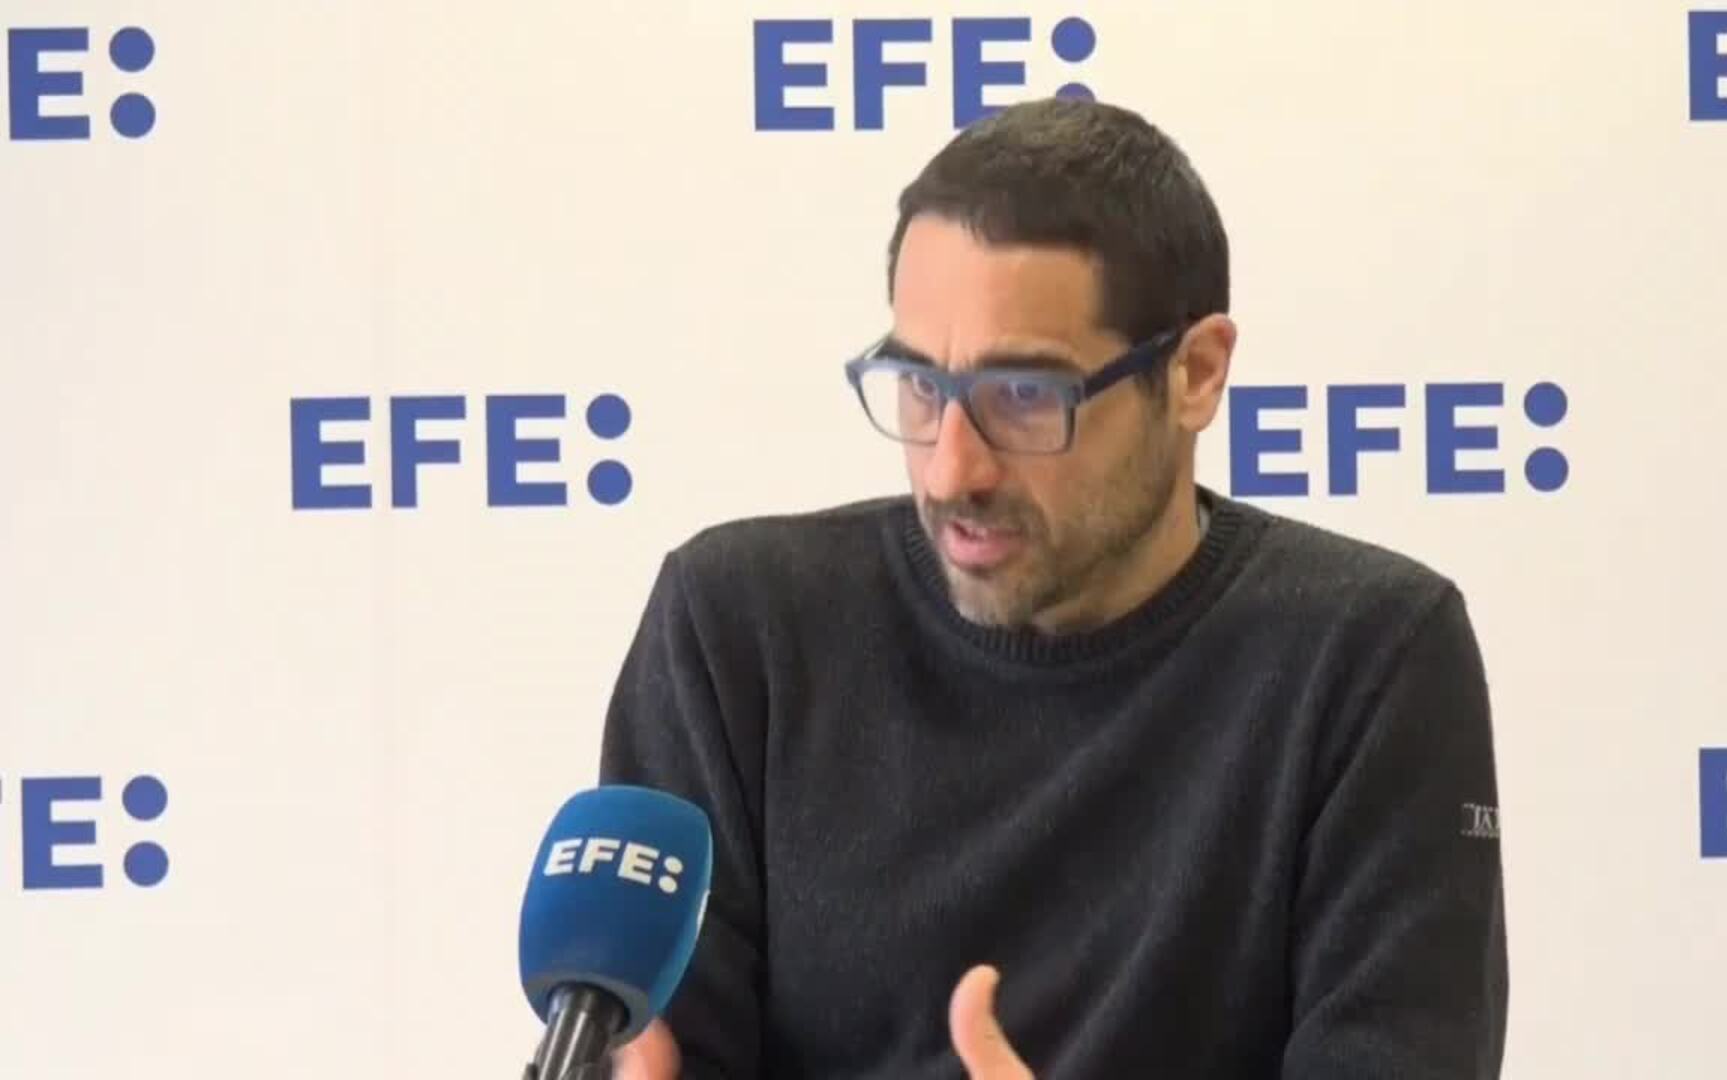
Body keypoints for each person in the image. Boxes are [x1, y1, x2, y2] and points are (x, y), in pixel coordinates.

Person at [600, 97, 1507, 1079]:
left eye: (1025, 395)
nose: (953, 470)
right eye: (920, 385)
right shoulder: (738, 630)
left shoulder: (1369, 655)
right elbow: (656, 1046)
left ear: (1196, 374)